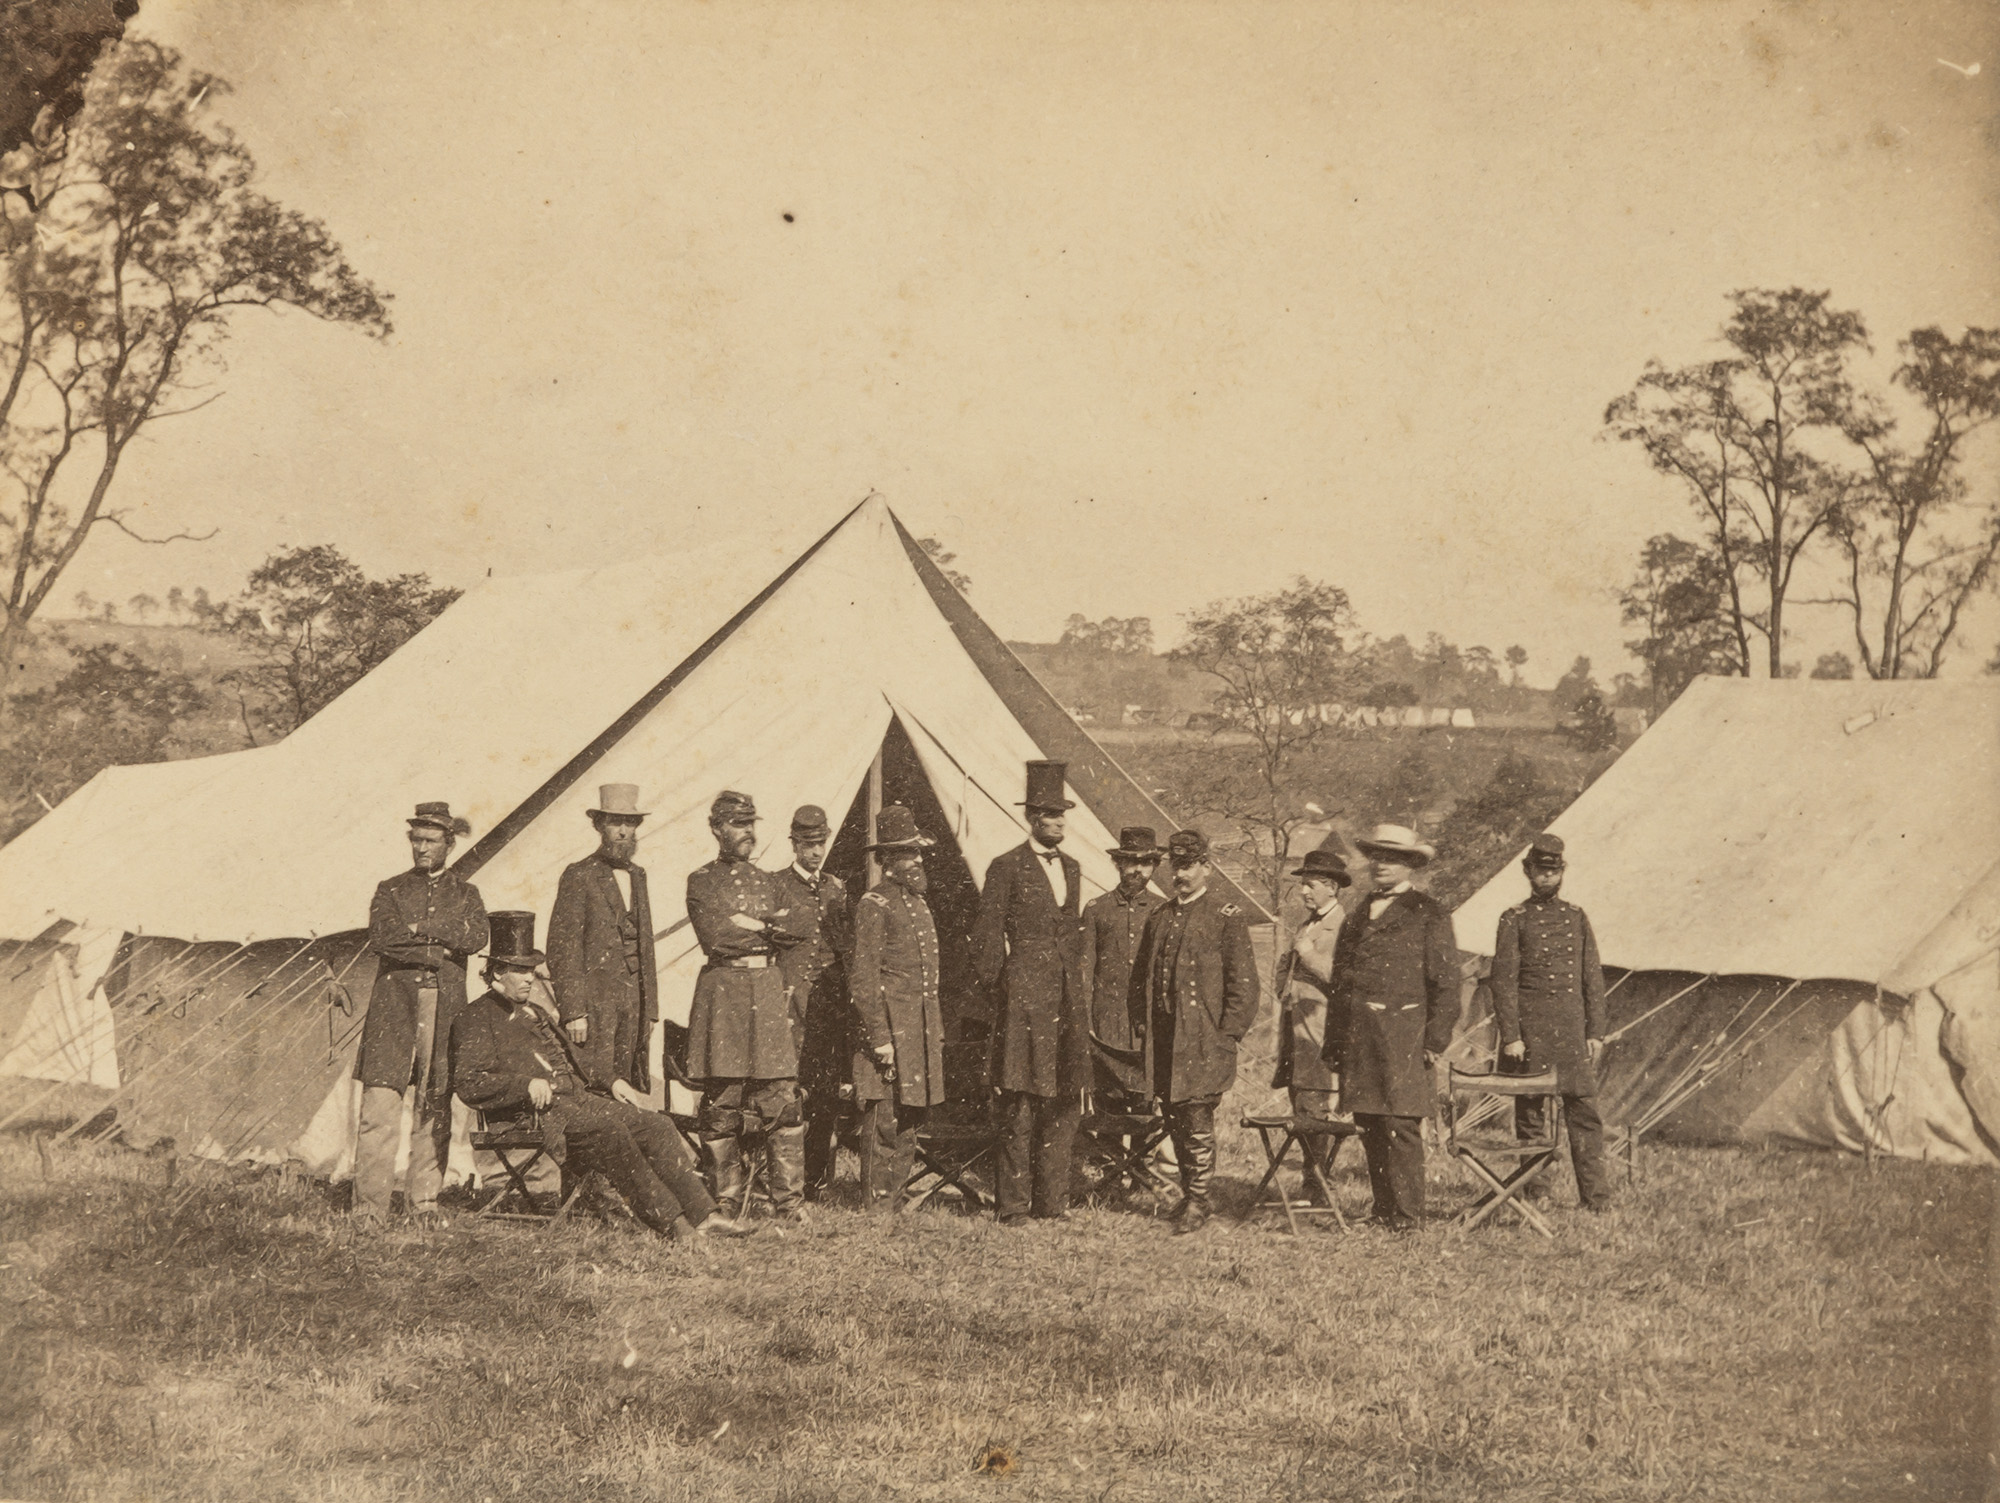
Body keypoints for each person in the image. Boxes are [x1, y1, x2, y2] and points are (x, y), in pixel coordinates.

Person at [451, 911, 753, 1241]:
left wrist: (613, 1082)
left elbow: (576, 1056)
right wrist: (524, 1085)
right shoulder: (476, 1017)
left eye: (531, 971)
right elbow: (469, 1082)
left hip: (576, 1102)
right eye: (519, 971)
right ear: (496, 972)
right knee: (610, 1132)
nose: (529, 979)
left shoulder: (534, 1011)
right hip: (533, 1115)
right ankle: (675, 1225)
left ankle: (705, 1215)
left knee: (657, 1125)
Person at [352, 802, 489, 1226]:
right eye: (416, 839)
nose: (421, 848)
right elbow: (384, 940)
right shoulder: (389, 889)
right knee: (380, 1105)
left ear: (449, 845)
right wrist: (442, 946)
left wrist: (421, 931)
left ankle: (423, 1202)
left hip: (444, 1008)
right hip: (394, 1009)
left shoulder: (468, 894)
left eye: (431, 841)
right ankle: (369, 1208)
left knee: (435, 1104)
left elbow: (477, 937)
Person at [1322, 823, 1459, 1233]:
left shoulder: (1429, 912)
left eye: (1392, 857)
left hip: (1405, 1037)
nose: (1381, 864)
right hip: (1360, 1035)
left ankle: (1407, 1216)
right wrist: (1334, 1042)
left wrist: (1435, 1039)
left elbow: (1448, 983)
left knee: (1400, 1126)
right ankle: (1383, 1210)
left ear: (1411, 865)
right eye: (1376, 856)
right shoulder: (1359, 911)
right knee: (1369, 1123)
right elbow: (1340, 983)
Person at [972, 760, 1089, 1225]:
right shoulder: (1005, 866)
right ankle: (1014, 1206)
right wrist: (1005, 986)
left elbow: (1072, 935)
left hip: (1065, 1002)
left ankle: (1052, 1203)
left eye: (1062, 814)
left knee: (1062, 1101)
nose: (1058, 822)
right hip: (1021, 999)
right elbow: (985, 938)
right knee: (1018, 1102)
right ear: (1031, 819)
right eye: (1049, 814)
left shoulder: (1075, 868)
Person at [685, 790, 808, 1220]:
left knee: (782, 1101)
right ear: (716, 828)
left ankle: (789, 1203)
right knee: (723, 1102)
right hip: (725, 997)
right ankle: (726, 1198)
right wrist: (766, 928)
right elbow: (716, 936)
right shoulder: (701, 880)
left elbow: (795, 930)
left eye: (751, 824)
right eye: (738, 824)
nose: (748, 833)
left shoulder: (769, 881)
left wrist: (754, 927)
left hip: (768, 994)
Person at [1132, 828, 1260, 1234]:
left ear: (1207, 867)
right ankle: (1190, 1196)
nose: (1180, 874)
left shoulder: (1226, 916)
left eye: (1188, 866)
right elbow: (1142, 980)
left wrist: (1228, 1035)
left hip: (1205, 1040)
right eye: (1176, 866)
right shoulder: (1160, 916)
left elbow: (1244, 985)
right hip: (1167, 1039)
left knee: (1197, 1119)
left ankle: (1200, 1202)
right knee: (1174, 1117)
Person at [1490, 833, 1613, 1212]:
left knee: (1585, 1115)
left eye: (1553, 872)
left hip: (1572, 1032)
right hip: (1531, 1033)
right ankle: (1536, 1192)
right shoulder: (1514, 918)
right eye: (1540, 872)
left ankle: (1596, 1200)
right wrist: (1511, 1035)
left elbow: (1591, 975)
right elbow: (1504, 981)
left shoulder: (1576, 917)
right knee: (1530, 1113)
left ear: (1561, 874)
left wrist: (1596, 1031)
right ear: (1527, 872)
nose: (1546, 878)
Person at [849, 804, 947, 1211]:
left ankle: (897, 1195)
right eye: (910, 853)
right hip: (890, 1031)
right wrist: (880, 1039)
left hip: (919, 1030)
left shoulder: (918, 903)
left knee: (911, 1117)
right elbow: (863, 979)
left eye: (919, 852)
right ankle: (877, 1205)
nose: (919, 860)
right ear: (887, 859)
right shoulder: (875, 904)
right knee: (883, 1120)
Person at [546, 784, 657, 1094]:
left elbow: (645, 945)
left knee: (628, 1084)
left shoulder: (639, 875)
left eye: (629, 823)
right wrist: (573, 1011)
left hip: (634, 1004)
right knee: (596, 1084)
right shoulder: (579, 874)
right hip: (595, 1005)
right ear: (599, 826)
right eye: (614, 823)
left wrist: (650, 1011)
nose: (622, 831)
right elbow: (562, 947)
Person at [769, 804, 853, 1202]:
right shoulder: (776, 886)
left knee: (824, 1098)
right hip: (790, 1010)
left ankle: (818, 1180)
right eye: (807, 845)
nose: (815, 853)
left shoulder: (837, 887)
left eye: (820, 844)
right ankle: (785, 1184)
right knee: (787, 1097)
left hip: (827, 1011)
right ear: (794, 844)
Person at [1271, 834, 1352, 1204]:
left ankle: (1318, 1185)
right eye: (1303, 883)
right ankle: (1313, 1181)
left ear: (1331, 887)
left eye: (1311, 884)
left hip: (1320, 1035)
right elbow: (1288, 967)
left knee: (1316, 1110)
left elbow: (1343, 980)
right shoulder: (1306, 924)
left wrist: (1306, 955)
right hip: (1295, 1032)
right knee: (1300, 1104)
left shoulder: (1344, 928)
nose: (1303, 890)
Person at [1079, 827, 1166, 1107]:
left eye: (1145, 863)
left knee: (1148, 1104)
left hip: (1147, 1026)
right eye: (1130, 861)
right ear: (1118, 863)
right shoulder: (1096, 909)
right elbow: (1084, 971)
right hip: (1106, 1026)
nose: (1137, 870)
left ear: (1154, 866)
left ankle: (1144, 1153)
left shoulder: (1164, 911)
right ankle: (1111, 1153)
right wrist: (1087, 1023)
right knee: (1108, 1105)